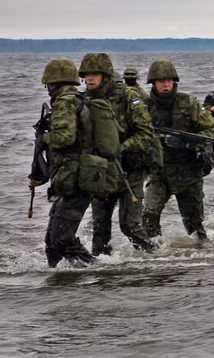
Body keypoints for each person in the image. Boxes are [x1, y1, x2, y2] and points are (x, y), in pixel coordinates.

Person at [30, 59, 107, 267]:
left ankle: (96, 270)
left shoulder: (65, 101)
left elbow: (64, 138)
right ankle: (63, 284)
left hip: (76, 177)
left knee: (60, 239)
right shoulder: (78, 99)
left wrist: (43, 139)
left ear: (52, 83)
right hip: (73, 176)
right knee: (53, 241)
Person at [80, 52, 159, 255]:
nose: (90, 78)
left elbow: (146, 133)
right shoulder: (84, 100)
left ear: (105, 75)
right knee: (100, 229)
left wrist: (122, 147)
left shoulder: (127, 96)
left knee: (130, 225)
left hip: (129, 171)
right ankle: (100, 269)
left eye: (95, 74)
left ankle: (155, 259)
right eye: (87, 74)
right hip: (101, 172)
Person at [142, 60, 214, 244]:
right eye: (161, 81)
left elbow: (209, 131)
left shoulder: (188, 102)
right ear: (153, 83)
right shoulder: (144, 106)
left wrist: (188, 143)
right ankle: (154, 251)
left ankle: (203, 258)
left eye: (169, 81)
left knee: (194, 226)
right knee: (148, 214)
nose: (166, 85)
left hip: (188, 171)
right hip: (159, 171)